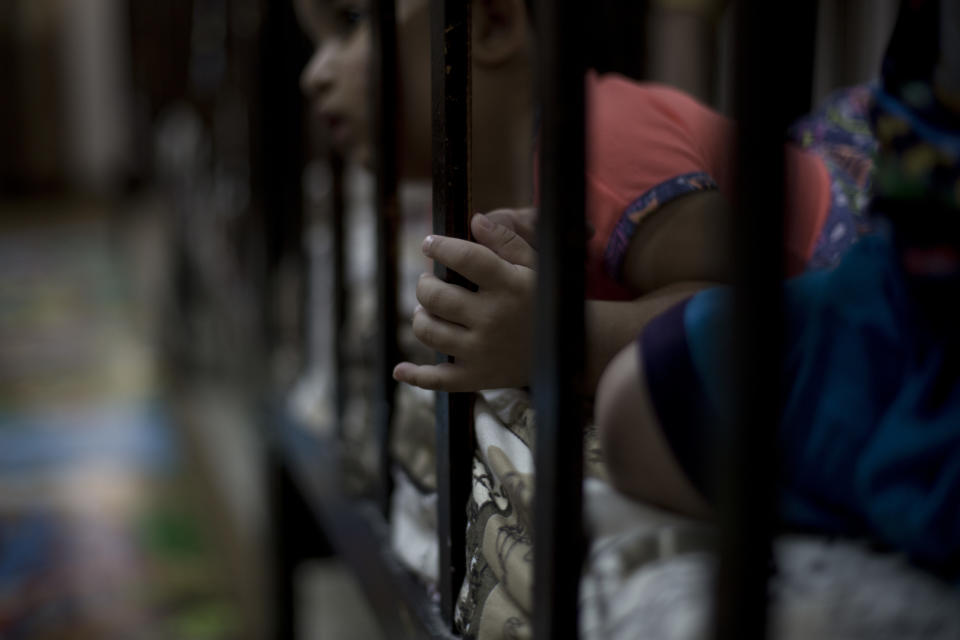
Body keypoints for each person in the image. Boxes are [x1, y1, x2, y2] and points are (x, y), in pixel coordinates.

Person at [298, 0, 871, 395]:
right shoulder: (511, 184)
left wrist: (566, 338)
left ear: (491, 22)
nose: (313, 74)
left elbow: (746, 297)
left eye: (350, 21)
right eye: (314, 41)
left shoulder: (599, 147)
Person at [595, 0, 960, 578]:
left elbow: (741, 271)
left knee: (637, 405)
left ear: (496, 22)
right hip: (896, 243)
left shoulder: (602, 125)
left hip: (894, 245)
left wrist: (552, 329)